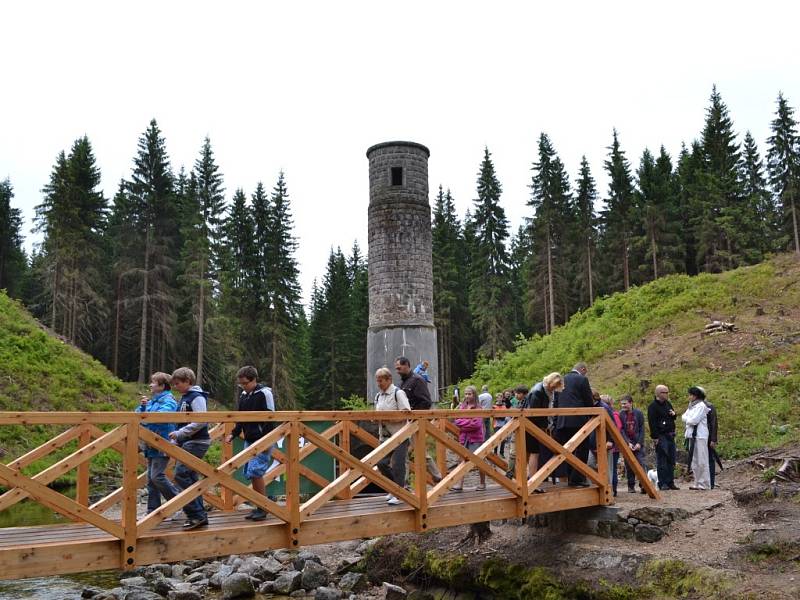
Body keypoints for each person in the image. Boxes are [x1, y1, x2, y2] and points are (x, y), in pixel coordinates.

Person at [224, 366, 276, 521]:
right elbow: (241, 417)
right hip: (249, 439)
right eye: (240, 384)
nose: (243, 386)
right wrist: (233, 434)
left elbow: (270, 418)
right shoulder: (244, 395)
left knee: (255, 472)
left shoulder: (265, 393)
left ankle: (263, 507)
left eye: (245, 383)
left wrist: (266, 441)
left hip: (262, 440)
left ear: (254, 380)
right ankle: (260, 506)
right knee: (251, 474)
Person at [168, 367, 211, 529]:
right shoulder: (185, 397)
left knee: (181, 474)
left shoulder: (196, 397)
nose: (176, 386)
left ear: (188, 381)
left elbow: (201, 420)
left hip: (197, 442)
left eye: (178, 383)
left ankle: (196, 514)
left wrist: (180, 433)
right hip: (188, 441)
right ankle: (198, 514)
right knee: (190, 477)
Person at [135, 372, 178, 513]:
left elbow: (160, 417)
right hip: (150, 443)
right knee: (151, 480)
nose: (150, 385)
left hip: (162, 443)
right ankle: (153, 510)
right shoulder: (152, 401)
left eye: (153, 382)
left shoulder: (169, 401)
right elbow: (137, 415)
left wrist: (145, 416)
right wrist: (142, 408)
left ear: (162, 386)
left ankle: (180, 503)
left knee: (157, 476)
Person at [395, 356, 442, 482]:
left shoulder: (417, 380)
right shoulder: (401, 384)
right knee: (402, 453)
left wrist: (416, 418)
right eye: (396, 368)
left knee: (420, 450)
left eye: (399, 368)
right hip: (403, 423)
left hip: (415, 422)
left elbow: (426, 402)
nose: (397, 371)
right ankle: (403, 483)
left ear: (407, 365)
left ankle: (437, 475)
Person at [373, 367, 412, 505]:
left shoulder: (398, 393)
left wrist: (388, 419)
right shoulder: (378, 396)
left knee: (398, 465)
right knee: (381, 463)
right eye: (377, 381)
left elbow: (406, 413)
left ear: (389, 379)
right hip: (384, 436)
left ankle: (399, 494)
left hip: (399, 435)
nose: (379, 383)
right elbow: (377, 413)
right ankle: (394, 488)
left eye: (381, 381)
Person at [554, 362, 594, 487]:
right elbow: (588, 400)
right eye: (585, 371)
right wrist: (591, 414)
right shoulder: (582, 379)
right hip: (578, 420)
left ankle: (570, 477)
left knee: (567, 451)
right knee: (582, 449)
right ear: (582, 369)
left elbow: (556, 401)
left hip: (562, 421)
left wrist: (556, 419)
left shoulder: (561, 380)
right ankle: (577, 479)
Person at [524, 374, 564, 492]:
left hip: (535, 426)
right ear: (550, 383)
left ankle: (528, 480)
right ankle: (532, 481)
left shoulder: (544, 390)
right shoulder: (538, 392)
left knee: (530, 453)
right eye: (554, 387)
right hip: (531, 426)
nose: (554, 389)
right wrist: (545, 425)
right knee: (533, 453)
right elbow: (534, 414)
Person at [452, 386, 486, 492]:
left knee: (479, 461)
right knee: (461, 460)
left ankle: (482, 483)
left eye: (469, 394)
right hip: (464, 437)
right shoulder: (462, 406)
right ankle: (459, 484)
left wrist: (463, 423)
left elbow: (476, 424)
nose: (467, 396)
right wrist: (467, 422)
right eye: (466, 394)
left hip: (475, 438)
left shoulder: (478, 408)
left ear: (474, 395)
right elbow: (456, 421)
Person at [647, 385, 680, 491]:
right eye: (664, 392)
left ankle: (670, 482)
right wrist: (655, 437)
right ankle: (663, 482)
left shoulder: (668, 404)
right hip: (661, 435)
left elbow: (673, 416)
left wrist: (674, 414)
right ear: (658, 394)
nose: (667, 394)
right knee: (662, 459)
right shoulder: (652, 406)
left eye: (667, 392)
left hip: (670, 434)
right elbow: (652, 423)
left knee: (671, 459)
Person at [682, 386, 712, 490]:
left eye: (691, 395)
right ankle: (697, 482)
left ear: (696, 396)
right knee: (694, 461)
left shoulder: (701, 406)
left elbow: (693, 420)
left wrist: (687, 419)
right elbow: (684, 416)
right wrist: (687, 419)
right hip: (691, 435)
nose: (689, 397)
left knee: (702, 460)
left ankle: (704, 483)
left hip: (700, 435)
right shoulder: (691, 406)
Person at [618, 395, 647, 494]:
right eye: (622, 404)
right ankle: (631, 486)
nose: (623, 405)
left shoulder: (638, 413)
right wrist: (627, 442)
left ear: (631, 403)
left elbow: (642, 428)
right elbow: (621, 430)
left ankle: (644, 485)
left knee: (641, 464)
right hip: (627, 443)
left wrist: (639, 443)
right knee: (629, 465)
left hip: (638, 442)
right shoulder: (621, 414)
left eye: (625, 403)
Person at [603, 395, 624, 496]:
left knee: (612, 468)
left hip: (613, 447)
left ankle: (613, 490)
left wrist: (611, 441)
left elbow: (617, 428)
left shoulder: (614, 415)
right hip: (608, 446)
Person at [706, 399, 719, 489]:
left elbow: (714, 424)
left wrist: (713, 439)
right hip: (698, 438)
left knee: (710, 459)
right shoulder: (693, 406)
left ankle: (711, 482)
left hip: (708, 437)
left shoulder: (709, 406)